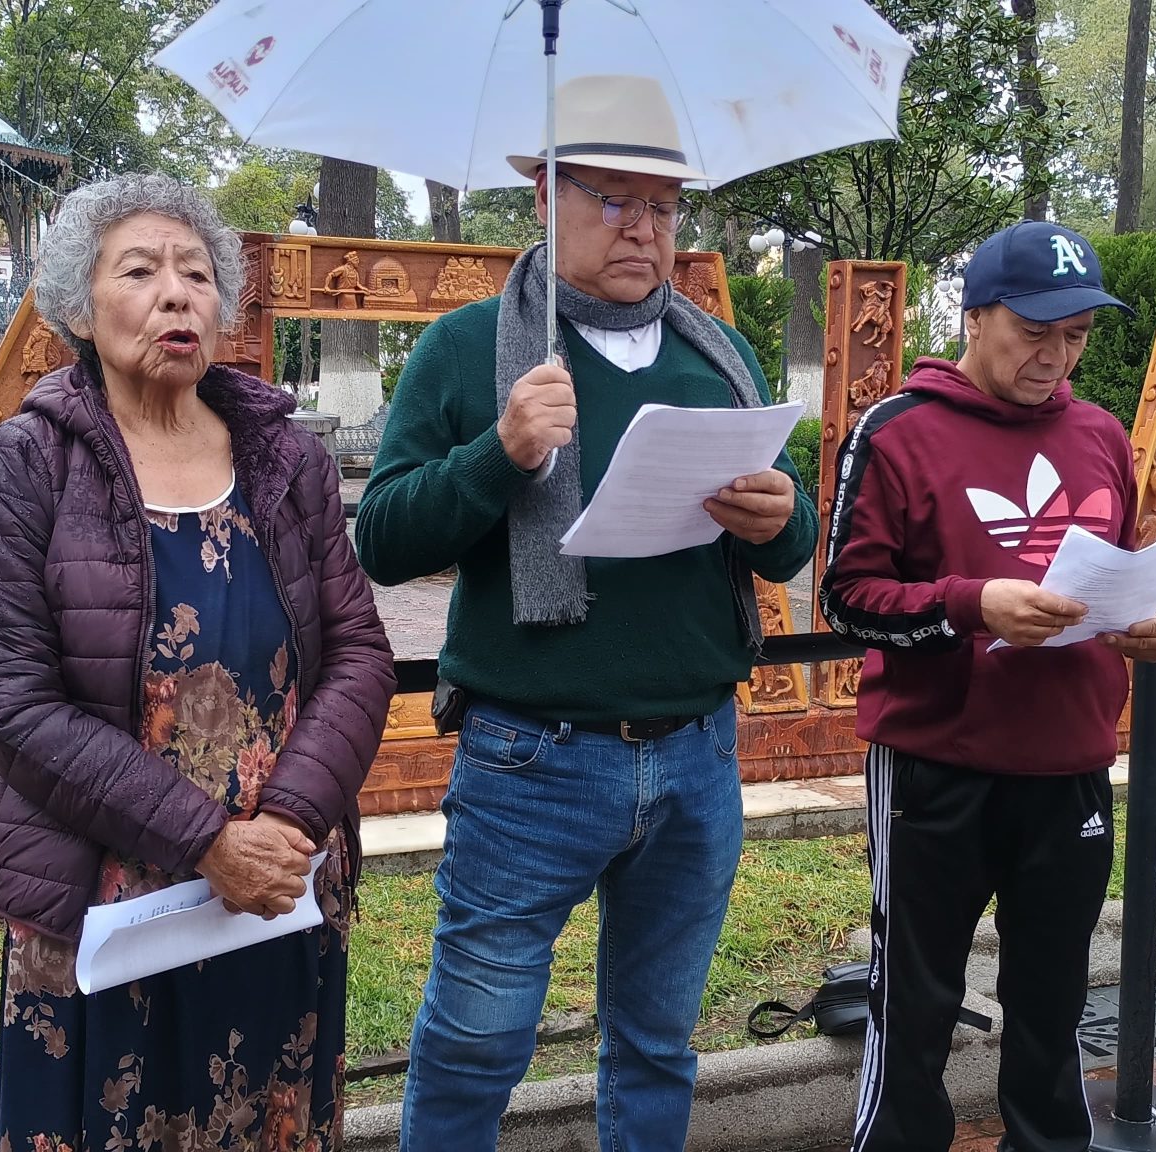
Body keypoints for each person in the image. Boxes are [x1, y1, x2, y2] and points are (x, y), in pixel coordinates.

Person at [356, 73, 819, 1152]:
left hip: (697, 752)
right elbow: (382, 540)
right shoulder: (471, 349)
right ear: (544, 199)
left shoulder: (718, 355)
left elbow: (790, 549)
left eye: (660, 207)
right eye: (610, 199)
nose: (640, 228)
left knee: (657, 1038)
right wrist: (501, 451)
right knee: (475, 1037)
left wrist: (780, 515)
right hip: (530, 761)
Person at [0, 173, 395, 1151]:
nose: (175, 294)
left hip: (275, 884)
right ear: (79, 303)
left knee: (267, 1115)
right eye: (140, 270)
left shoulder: (289, 461)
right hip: (105, 905)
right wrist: (207, 842)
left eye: (196, 273)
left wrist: (282, 825)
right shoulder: (27, 468)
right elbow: (15, 708)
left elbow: (359, 654)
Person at [820, 220, 1156, 1152]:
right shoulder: (898, 432)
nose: (1054, 357)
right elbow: (846, 599)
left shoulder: (1102, 435)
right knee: (916, 1000)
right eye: (1035, 331)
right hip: (936, 766)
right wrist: (975, 606)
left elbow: (1128, 564)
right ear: (975, 316)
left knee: (1052, 1000)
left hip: (1067, 763)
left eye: (1077, 336)